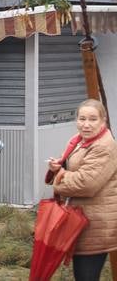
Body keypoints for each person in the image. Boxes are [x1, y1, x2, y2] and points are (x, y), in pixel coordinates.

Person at [46, 98, 117, 281]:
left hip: (96, 224)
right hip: (82, 219)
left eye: (92, 119)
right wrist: (59, 167)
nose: (86, 124)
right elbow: (74, 169)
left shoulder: (104, 146)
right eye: (82, 119)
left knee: (86, 276)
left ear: (103, 120)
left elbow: (86, 184)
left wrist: (60, 175)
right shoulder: (79, 141)